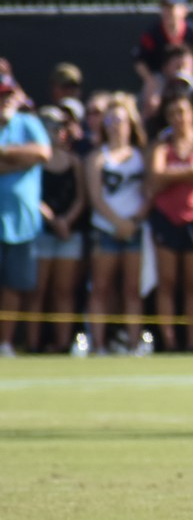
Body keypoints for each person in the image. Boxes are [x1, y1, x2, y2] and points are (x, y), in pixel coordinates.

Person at [147, 92, 193, 352]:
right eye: (173, 113)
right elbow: (155, 176)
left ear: (192, 114)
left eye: (183, 111)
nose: (179, 118)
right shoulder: (161, 146)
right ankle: (169, 343)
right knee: (166, 283)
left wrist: (172, 173)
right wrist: (191, 171)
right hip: (167, 217)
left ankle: (192, 343)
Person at [85, 94, 149, 355]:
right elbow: (96, 197)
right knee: (101, 288)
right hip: (105, 230)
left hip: (134, 230)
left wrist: (133, 221)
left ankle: (134, 346)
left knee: (132, 290)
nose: (114, 125)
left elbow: (150, 194)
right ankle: (98, 346)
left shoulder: (141, 156)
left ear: (130, 123)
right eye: (109, 120)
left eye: (120, 120)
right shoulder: (96, 158)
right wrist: (117, 223)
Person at [0, 78, 51, 358]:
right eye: (1, 96)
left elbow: (42, 153)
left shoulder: (29, 123)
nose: (6, 100)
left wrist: (4, 153)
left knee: (14, 286)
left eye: (9, 95)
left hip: (22, 223)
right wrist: (20, 160)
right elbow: (29, 157)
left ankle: (5, 343)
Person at [29, 107, 85, 353]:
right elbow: (31, 193)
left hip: (68, 233)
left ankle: (62, 344)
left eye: (62, 128)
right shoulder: (36, 158)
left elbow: (81, 198)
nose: (59, 133)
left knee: (64, 291)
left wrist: (66, 221)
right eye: (53, 128)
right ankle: (32, 345)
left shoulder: (75, 162)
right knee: (37, 291)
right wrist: (52, 220)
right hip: (42, 232)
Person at [133, 0, 193, 106]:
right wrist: (150, 80)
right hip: (161, 76)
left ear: (184, 10)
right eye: (165, 7)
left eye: (173, 7)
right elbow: (140, 61)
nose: (169, 11)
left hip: (189, 75)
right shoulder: (152, 33)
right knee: (152, 101)